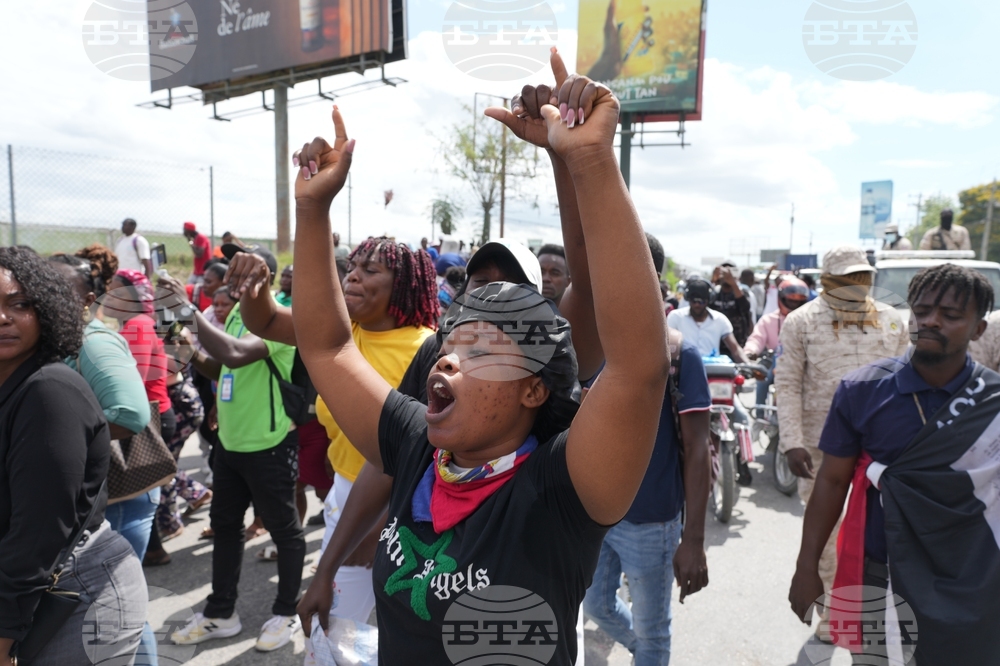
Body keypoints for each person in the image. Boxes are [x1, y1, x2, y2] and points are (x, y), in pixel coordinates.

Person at [287, 59, 668, 663]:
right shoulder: (418, 447)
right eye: (450, 348)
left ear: (535, 391)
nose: (446, 365)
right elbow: (328, 346)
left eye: (483, 351)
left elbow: (637, 368)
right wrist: (313, 211)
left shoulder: (560, 490)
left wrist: (588, 161)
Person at [223, 234, 440, 627]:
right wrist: (258, 284)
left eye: (369, 270)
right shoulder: (343, 335)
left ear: (405, 285)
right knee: (337, 623)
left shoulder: (427, 349)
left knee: (390, 627)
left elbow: (431, 455)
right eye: (352, 268)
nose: (352, 277)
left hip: (398, 510)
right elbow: (267, 320)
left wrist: (379, 527)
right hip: (345, 496)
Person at [790, 264, 999, 665]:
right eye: (921, 311)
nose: (931, 322)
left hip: (972, 574)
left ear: (978, 329)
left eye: (952, 316)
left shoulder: (992, 400)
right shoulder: (861, 390)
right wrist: (806, 567)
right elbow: (832, 483)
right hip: (878, 568)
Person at [0, 247, 147, 665]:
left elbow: (39, 531)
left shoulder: (49, 392)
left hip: (76, 590)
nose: (3, 318)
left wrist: (4, 636)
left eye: (20, 304)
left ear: (46, 309)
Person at [158, 269, 305, 652]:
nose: (236, 284)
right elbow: (220, 367)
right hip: (231, 444)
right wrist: (186, 342)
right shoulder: (238, 316)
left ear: (265, 282)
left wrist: (188, 310)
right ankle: (221, 613)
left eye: (245, 275)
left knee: (284, 531)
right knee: (224, 526)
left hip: (269, 445)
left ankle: (286, 612)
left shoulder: (283, 316)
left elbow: (236, 354)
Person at [583, 251, 712, 666]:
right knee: (597, 608)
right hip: (598, 515)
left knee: (653, 627)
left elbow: (697, 451)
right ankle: (649, 653)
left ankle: (651, 650)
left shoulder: (680, 357)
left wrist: (692, 540)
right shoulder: (591, 351)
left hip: (652, 523)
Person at [775, 245, 909, 639]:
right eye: (848, 278)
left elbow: (904, 381)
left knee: (875, 531)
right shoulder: (801, 322)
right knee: (828, 535)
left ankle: (875, 605)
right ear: (829, 281)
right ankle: (833, 614)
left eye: (862, 277)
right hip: (818, 446)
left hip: (879, 448)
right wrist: (792, 441)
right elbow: (787, 383)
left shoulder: (890, 320)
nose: (857, 285)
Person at [48, 249, 160, 666]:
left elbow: (131, 413)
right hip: (100, 492)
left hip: (119, 494)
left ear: (87, 297)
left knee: (116, 603)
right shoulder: (66, 340)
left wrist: (63, 440)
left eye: (62, 287)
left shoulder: (92, 342)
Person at [744, 276, 810, 413]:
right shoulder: (768, 320)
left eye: (799, 302)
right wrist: (750, 352)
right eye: (791, 301)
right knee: (762, 378)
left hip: (803, 363)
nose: (794, 305)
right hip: (775, 361)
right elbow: (756, 339)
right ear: (781, 299)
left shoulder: (811, 321)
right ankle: (759, 417)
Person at [668, 278, 750, 362]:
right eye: (694, 301)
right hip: (684, 369)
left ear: (709, 300)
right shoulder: (675, 317)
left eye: (701, 302)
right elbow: (665, 345)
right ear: (688, 299)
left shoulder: (720, 320)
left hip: (713, 371)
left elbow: (735, 349)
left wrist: (749, 366)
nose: (697, 305)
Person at [711, 263, 754, 347]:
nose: (727, 277)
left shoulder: (743, 292)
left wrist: (733, 283)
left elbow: (745, 307)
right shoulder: (715, 293)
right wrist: (713, 280)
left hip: (738, 344)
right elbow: (705, 305)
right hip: (717, 344)